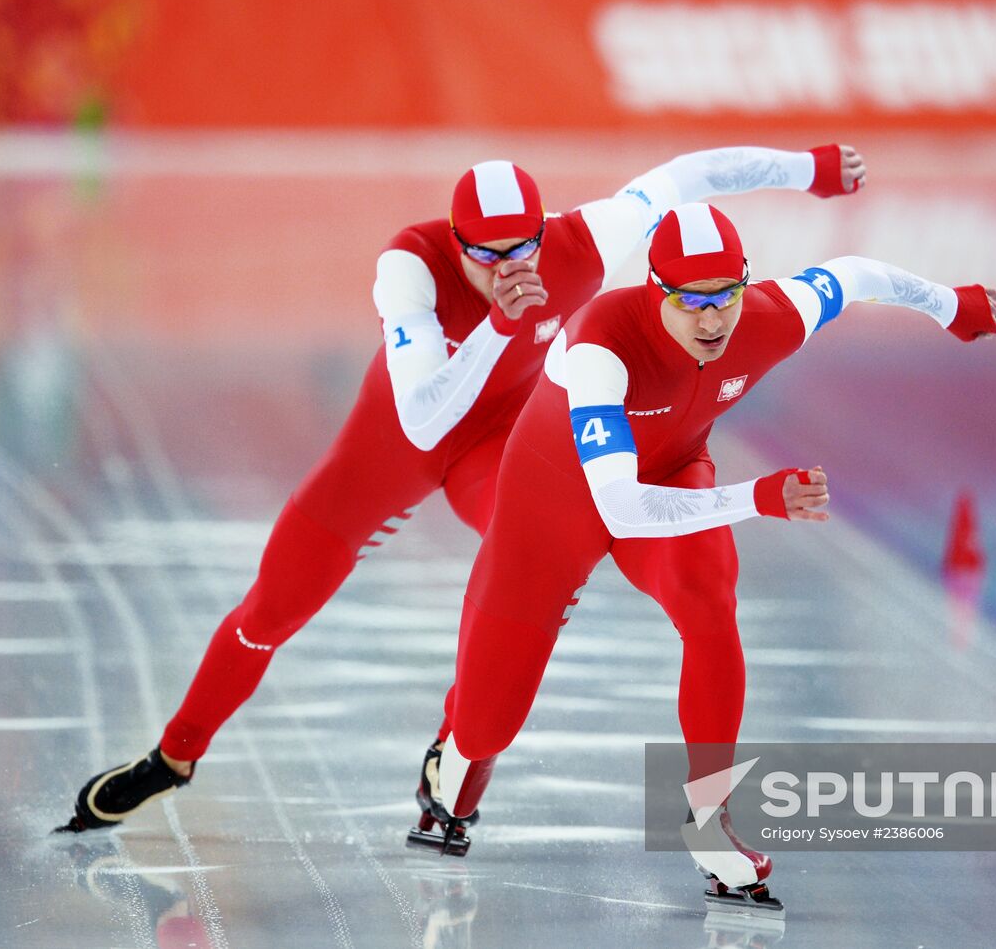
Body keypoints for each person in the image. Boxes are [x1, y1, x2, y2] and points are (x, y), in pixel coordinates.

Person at [56, 145, 869, 833]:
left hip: (498, 452)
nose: (511, 268)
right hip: (389, 454)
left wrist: (812, 168)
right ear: (456, 243)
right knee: (271, 610)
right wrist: (502, 327)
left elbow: (689, 176)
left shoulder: (579, 243)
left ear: (545, 230)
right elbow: (421, 420)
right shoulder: (408, 268)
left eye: (525, 248)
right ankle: (175, 753)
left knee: (532, 574)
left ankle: (457, 749)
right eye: (488, 255)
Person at [420, 202, 996, 913]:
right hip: (554, 505)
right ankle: (454, 751)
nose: (711, 320)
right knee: (488, 728)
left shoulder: (768, 319)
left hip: (670, 471)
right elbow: (622, 508)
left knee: (709, 601)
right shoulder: (600, 347)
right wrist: (758, 497)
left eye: (725, 295)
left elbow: (856, 275)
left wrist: (951, 305)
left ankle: (709, 821)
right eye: (689, 301)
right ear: (655, 290)